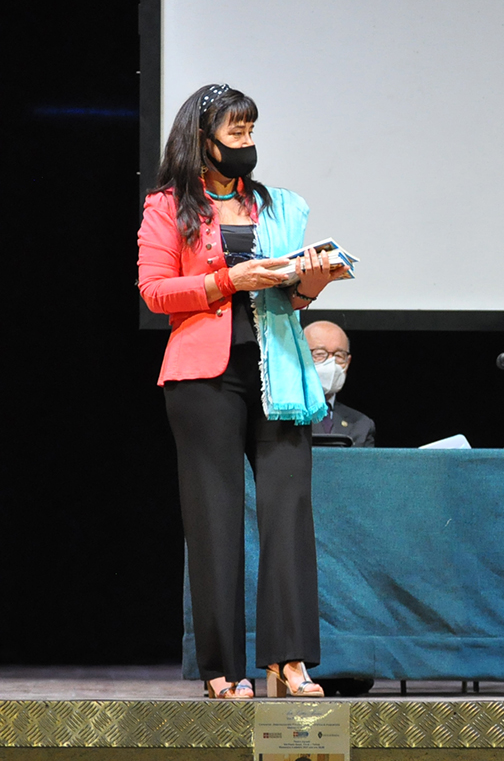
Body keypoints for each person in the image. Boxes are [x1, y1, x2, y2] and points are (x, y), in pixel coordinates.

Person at [138, 84, 341, 699]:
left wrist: (312, 283)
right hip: (205, 380)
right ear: (204, 140)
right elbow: (155, 292)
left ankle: (289, 661)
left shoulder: (274, 206)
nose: (247, 141)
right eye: (237, 131)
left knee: (288, 512)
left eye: (252, 130)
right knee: (215, 520)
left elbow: (289, 299)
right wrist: (228, 279)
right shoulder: (168, 207)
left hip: (278, 372)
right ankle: (222, 668)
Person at [304, 320, 376, 447]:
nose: (331, 363)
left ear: (348, 362)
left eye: (339, 356)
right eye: (320, 354)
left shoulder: (361, 424)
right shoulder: (281, 415)